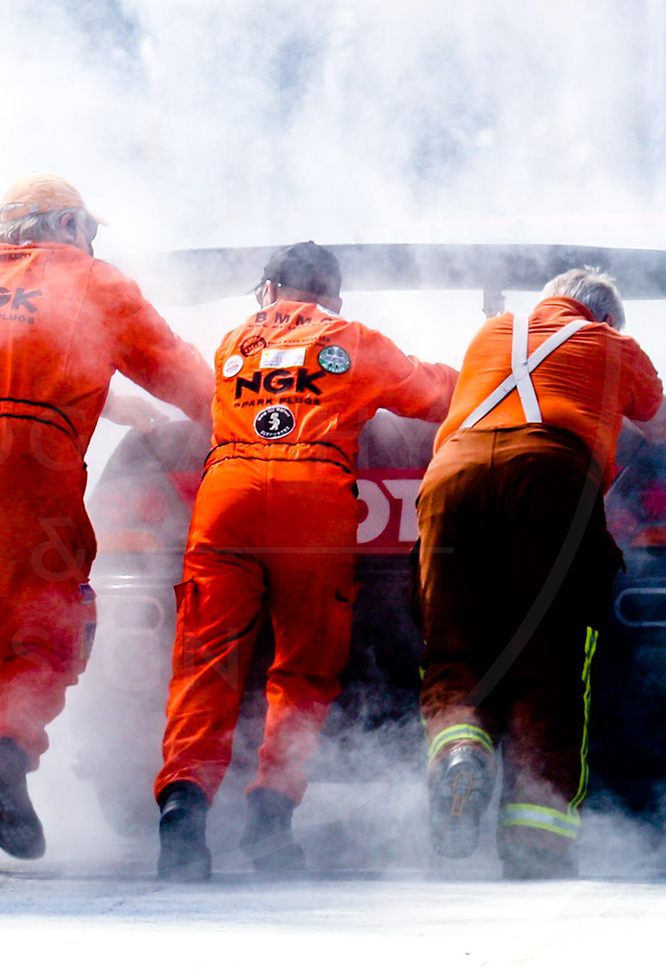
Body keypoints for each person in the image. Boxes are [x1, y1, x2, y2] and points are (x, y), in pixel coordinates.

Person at [0, 173, 214, 873]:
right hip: (27, 473)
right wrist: (241, 422)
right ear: (66, 227)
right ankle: (6, 750)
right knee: (49, 627)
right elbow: (184, 376)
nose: (92, 244)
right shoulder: (95, 282)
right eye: (89, 231)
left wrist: (127, 412)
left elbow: (20, 374)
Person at [154, 242, 458, 881]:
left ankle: (183, 805)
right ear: (335, 297)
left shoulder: (232, 343)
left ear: (268, 291)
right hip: (313, 501)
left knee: (205, 661)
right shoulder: (354, 339)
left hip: (228, 494)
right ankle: (270, 810)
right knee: (304, 667)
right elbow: (437, 396)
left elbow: (195, 404)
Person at [416, 266, 666, 880]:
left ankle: (459, 748)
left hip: (450, 482)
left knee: (453, 650)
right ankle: (537, 839)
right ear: (606, 317)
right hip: (551, 481)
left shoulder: (492, 334)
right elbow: (663, 425)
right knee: (549, 661)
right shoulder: (614, 345)